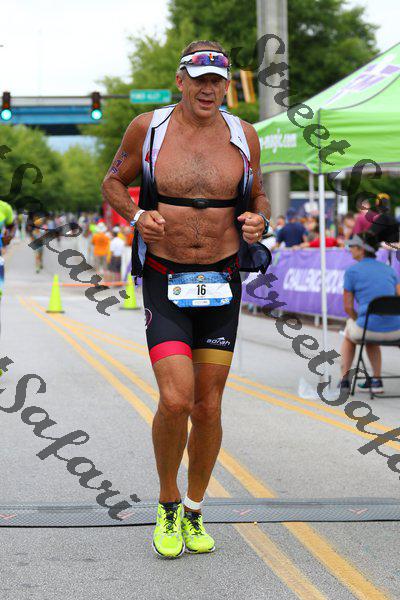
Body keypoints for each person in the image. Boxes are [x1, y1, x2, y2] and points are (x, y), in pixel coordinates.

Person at [102, 39, 271, 558]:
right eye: (199, 79)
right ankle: (168, 502)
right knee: (176, 400)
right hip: (165, 277)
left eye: (217, 81)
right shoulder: (147, 128)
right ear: (180, 81)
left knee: (209, 405)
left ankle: (195, 508)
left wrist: (259, 220)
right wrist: (136, 216)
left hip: (222, 279)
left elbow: (258, 193)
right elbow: (113, 182)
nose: (208, 89)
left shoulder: (244, 135)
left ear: (227, 86)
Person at [340, 232, 400, 393]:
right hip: (397, 330)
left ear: (361, 249)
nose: (350, 249)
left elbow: (348, 307)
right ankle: (376, 381)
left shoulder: (352, 271)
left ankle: (344, 381)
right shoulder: (389, 270)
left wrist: (357, 319)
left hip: (369, 329)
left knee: (350, 332)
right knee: (370, 330)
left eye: (352, 246)